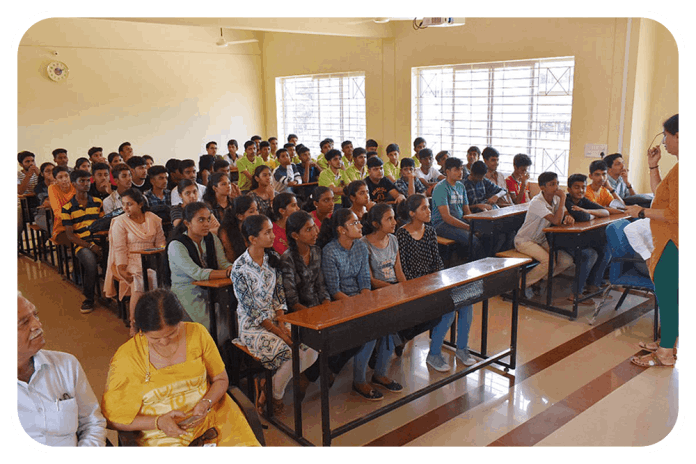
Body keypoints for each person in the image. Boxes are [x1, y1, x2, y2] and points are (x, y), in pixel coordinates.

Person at [101, 288, 260, 447]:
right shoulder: (127, 357)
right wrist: (158, 422)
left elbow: (220, 379)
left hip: (209, 418)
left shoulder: (197, 333)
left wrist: (206, 402)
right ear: (140, 329)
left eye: (172, 334)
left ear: (180, 321)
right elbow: (112, 418)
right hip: (161, 433)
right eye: (155, 338)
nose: (164, 342)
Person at [231, 214, 318, 412]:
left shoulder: (273, 259)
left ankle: (269, 389)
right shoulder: (240, 268)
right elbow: (252, 309)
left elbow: (279, 295)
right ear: (253, 239)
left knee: (312, 348)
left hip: (276, 319)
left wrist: (281, 323)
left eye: (272, 230)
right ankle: (275, 395)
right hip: (253, 325)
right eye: (267, 232)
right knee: (289, 352)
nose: (273, 236)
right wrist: (281, 333)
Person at [319, 209, 393, 400]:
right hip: (341, 303)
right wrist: (357, 306)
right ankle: (359, 380)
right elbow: (334, 290)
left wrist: (365, 301)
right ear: (341, 230)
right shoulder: (330, 252)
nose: (360, 226)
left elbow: (365, 282)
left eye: (359, 222)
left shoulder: (360, 247)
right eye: (354, 223)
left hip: (361, 299)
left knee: (389, 321)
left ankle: (380, 373)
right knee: (369, 330)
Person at [16, 292, 107, 447]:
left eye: (35, 315)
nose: (37, 325)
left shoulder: (66, 365)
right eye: (24, 322)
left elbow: (92, 423)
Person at [629, 114, 679, 368]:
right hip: (669, 239)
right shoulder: (679, 167)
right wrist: (653, 166)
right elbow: (662, 196)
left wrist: (640, 212)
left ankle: (665, 353)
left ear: (678, 136)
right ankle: (667, 343)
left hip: (674, 242)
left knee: (669, 297)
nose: (664, 141)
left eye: (666, 136)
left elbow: (674, 213)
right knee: (671, 296)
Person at [163, 202, 233, 344]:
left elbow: (223, 264)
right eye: (201, 220)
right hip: (186, 293)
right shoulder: (176, 245)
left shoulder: (211, 238)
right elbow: (197, 273)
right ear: (187, 223)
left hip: (211, 290)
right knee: (219, 331)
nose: (206, 224)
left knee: (233, 322)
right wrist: (227, 273)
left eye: (208, 219)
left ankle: (230, 361)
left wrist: (235, 268)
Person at [104, 188, 166, 335]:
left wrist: (160, 257)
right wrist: (122, 268)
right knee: (141, 279)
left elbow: (161, 243)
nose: (125, 208)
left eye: (129, 204)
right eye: (123, 204)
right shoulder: (120, 222)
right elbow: (120, 248)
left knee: (158, 276)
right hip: (130, 260)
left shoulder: (153, 219)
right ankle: (135, 323)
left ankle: (159, 318)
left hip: (152, 258)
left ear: (140, 204)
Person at [513, 171, 575, 297]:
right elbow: (556, 221)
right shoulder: (537, 202)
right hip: (525, 240)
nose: (556, 187)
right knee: (549, 262)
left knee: (566, 260)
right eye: (552, 184)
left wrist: (569, 217)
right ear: (542, 187)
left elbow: (566, 212)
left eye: (557, 183)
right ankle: (520, 285)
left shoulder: (556, 198)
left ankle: (539, 279)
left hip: (540, 239)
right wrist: (564, 198)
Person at [563, 174, 615, 304]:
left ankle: (593, 285)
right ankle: (576, 293)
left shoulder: (582, 201)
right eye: (576, 187)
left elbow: (605, 212)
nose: (580, 190)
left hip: (580, 238)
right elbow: (583, 217)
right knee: (589, 254)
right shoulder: (566, 200)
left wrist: (585, 210)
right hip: (563, 240)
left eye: (583, 187)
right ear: (569, 189)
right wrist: (588, 213)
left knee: (606, 248)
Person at [61, 169, 104, 313]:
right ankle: (89, 299)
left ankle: (114, 294)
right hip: (82, 244)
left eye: (88, 181)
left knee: (115, 257)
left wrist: (100, 243)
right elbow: (70, 236)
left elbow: (104, 224)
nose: (86, 184)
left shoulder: (97, 203)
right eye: (82, 181)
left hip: (100, 240)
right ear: (74, 184)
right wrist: (90, 246)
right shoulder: (67, 208)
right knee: (90, 263)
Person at [430, 157, 484, 261]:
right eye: (456, 170)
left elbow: (467, 211)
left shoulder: (461, 186)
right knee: (473, 240)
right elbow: (446, 217)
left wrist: (476, 224)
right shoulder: (441, 188)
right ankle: (479, 272)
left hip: (459, 221)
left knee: (485, 234)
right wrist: (469, 228)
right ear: (447, 172)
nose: (460, 172)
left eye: (461, 169)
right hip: (442, 224)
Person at [462, 160, 513, 256]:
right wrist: (477, 205)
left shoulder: (483, 181)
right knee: (497, 235)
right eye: (479, 177)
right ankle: (489, 257)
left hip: (488, 214)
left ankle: (499, 258)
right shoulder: (463, 184)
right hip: (474, 216)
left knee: (509, 231)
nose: (481, 179)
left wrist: (496, 196)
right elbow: (462, 208)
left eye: (483, 177)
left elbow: (503, 190)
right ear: (472, 173)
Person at [218, 195, 258, 265]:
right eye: (251, 211)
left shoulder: (256, 227)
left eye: (257, 210)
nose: (257, 214)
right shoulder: (226, 232)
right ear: (240, 216)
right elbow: (231, 259)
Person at [47, 165, 75, 245]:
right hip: (62, 227)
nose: (64, 179)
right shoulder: (52, 188)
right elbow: (57, 212)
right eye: (60, 177)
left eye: (66, 176)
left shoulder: (75, 186)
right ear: (55, 180)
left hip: (79, 223)